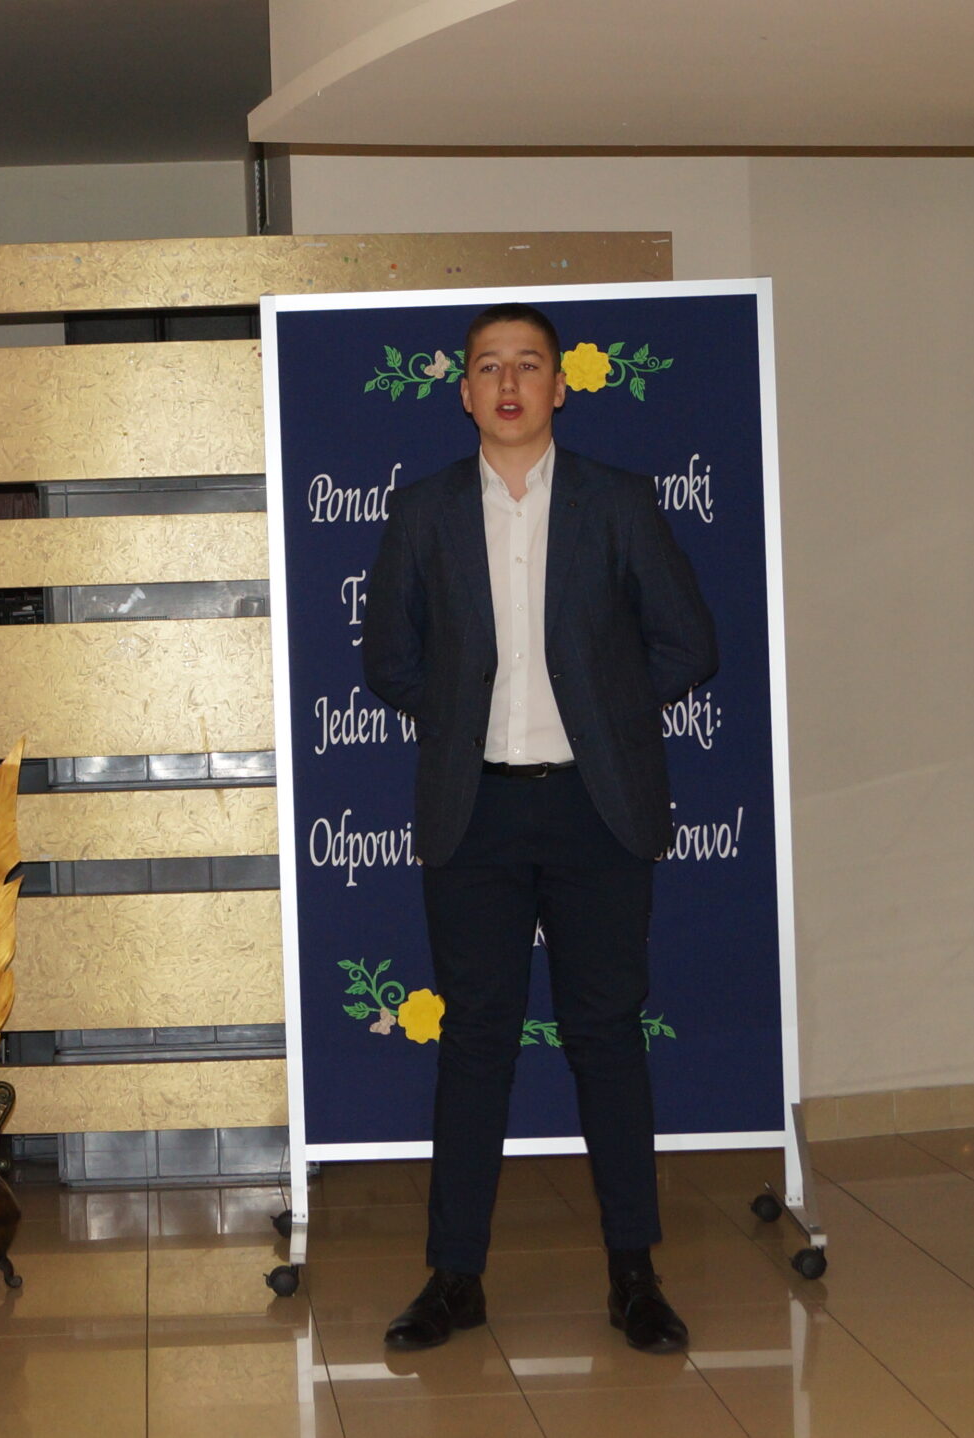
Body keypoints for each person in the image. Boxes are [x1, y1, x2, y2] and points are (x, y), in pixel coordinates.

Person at [362, 301, 718, 1354]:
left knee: (606, 1038)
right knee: (474, 1042)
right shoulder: (422, 510)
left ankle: (634, 1275)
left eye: (528, 364)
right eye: (488, 366)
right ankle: (454, 1277)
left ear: (561, 386)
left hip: (593, 807)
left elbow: (688, 643)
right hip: (472, 807)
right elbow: (388, 661)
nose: (509, 383)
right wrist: (461, 719)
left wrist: (606, 716)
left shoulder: (618, 502)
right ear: (463, 392)